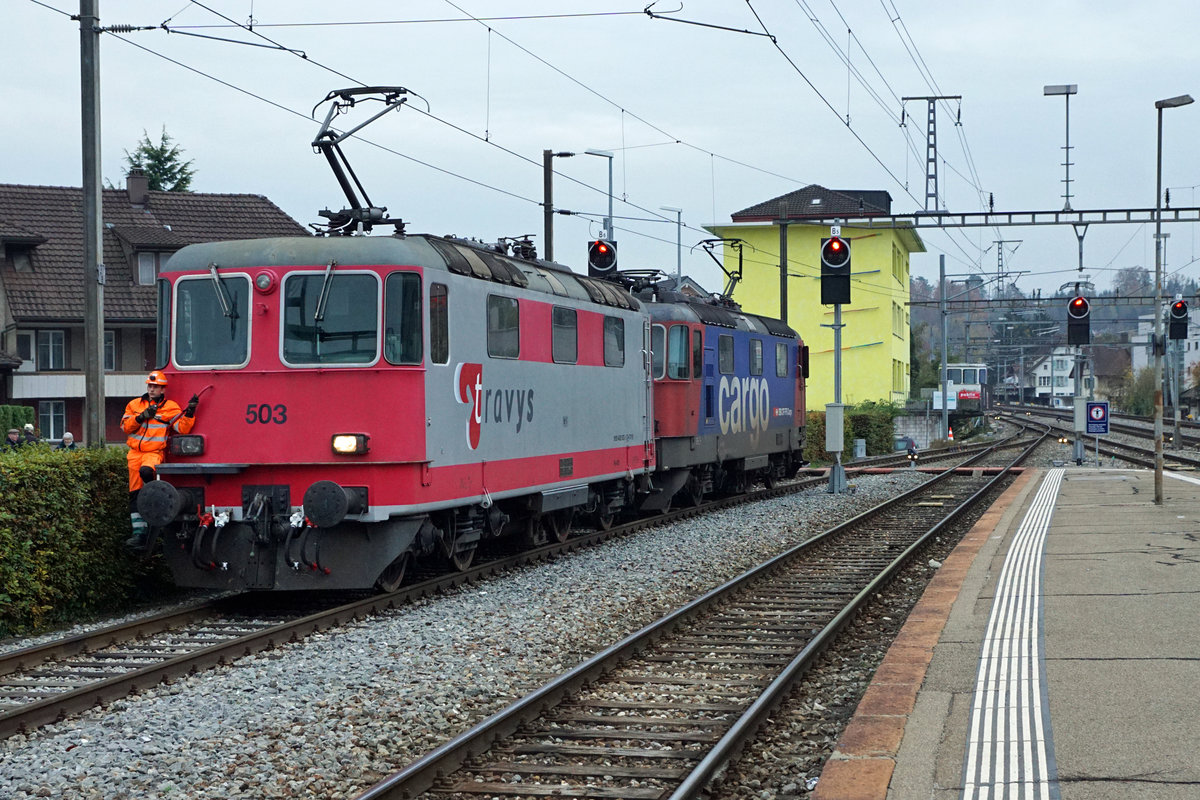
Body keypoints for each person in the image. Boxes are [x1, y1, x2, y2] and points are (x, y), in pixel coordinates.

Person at [121, 371, 199, 550]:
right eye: (150, 386)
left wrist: (191, 411)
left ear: (163, 389)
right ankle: (139, 534)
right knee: (134, 493)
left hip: (153, 452)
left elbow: (182, 428)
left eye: (155, 386)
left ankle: (153, 514)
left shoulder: (170, 407)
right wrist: (141, 417)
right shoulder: (134, 405)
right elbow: (126, 427)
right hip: (134, 454)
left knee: (146, 473)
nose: (151, 389)